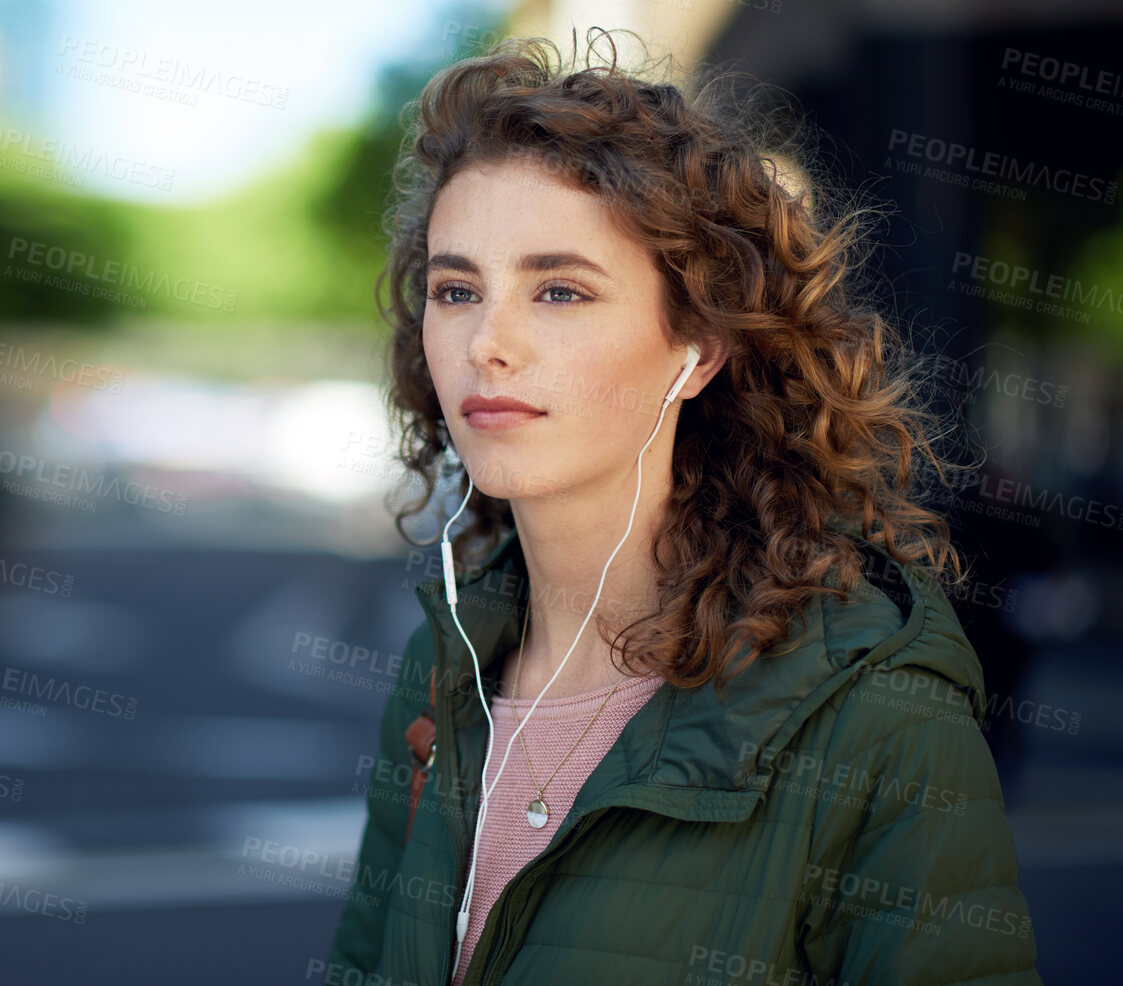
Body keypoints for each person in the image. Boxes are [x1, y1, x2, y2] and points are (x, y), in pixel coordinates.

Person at [322, 33, 1042, 985]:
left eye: (560, 290)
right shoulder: (445, 666)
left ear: (697, 347)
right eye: (457, 289)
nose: (485, 343)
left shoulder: (868, 709)